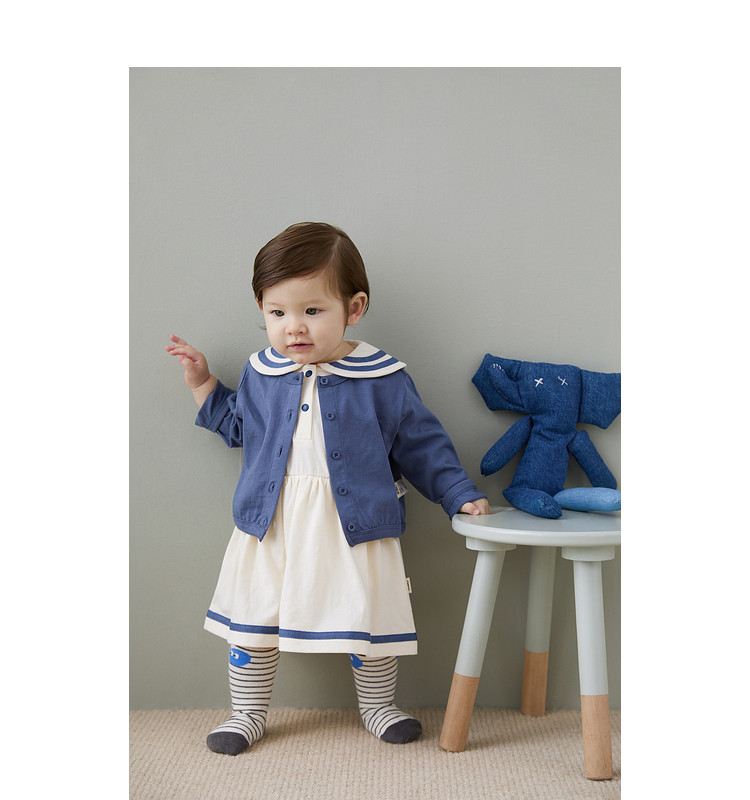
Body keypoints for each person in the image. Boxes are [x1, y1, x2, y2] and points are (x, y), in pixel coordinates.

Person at [166, 221, 490, 756]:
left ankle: (379, 706)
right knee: (254, 615)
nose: (294, 327)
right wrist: (203, 383)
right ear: (262, 310)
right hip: (271, 521)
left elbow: (421, 443)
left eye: (312, 310)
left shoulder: (383, 378)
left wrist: (457, 491)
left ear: (353, 308)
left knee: (369, 613)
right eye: (277, 313)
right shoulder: (261, 373)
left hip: (354, 521)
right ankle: (247, 712)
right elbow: (239, 427)